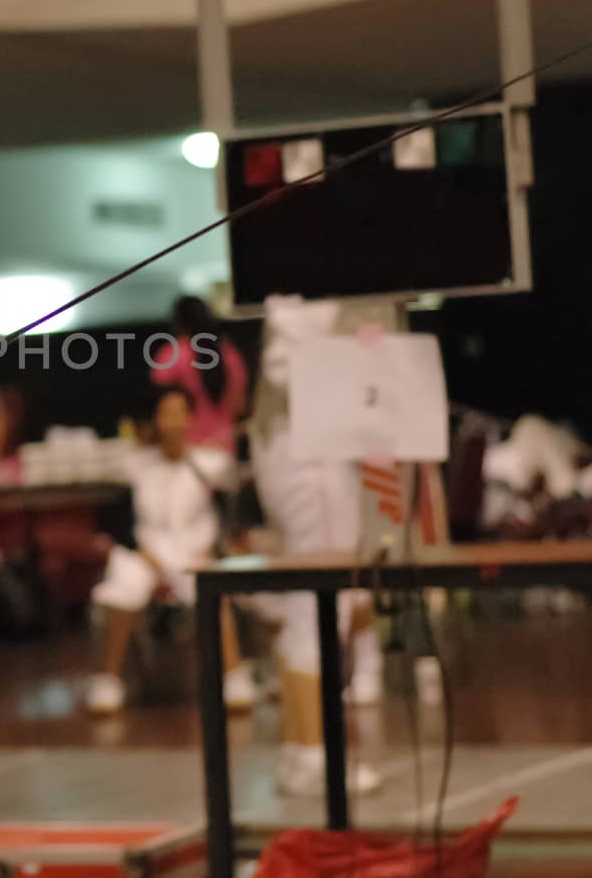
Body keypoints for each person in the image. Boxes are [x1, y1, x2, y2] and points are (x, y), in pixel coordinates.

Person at [249, 296, 385, 797]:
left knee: (310, 608)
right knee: (318, 609)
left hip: (308, 452)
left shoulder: (314, 288)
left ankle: (300, 751)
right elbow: (287, 369)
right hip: (310, 458)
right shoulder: (306, 289)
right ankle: (314, 758)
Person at [85, 386, 255, 715]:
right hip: (145, 555)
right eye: (167, 414)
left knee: (212, 590)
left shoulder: (209, 464)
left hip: (194, 554)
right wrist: (144, 554)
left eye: (181, 413)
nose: (174, 422)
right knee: (124, 589)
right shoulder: (134, 465)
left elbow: (233, 507)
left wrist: (215, 548)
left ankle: (234, 675)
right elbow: (117, 521)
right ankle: (109, 678)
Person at [151, 296, 249, 452]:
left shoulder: (173, 354)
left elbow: (159, 400)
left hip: (188, 449)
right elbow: (240, 406)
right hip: (225, 446)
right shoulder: (230, 354)